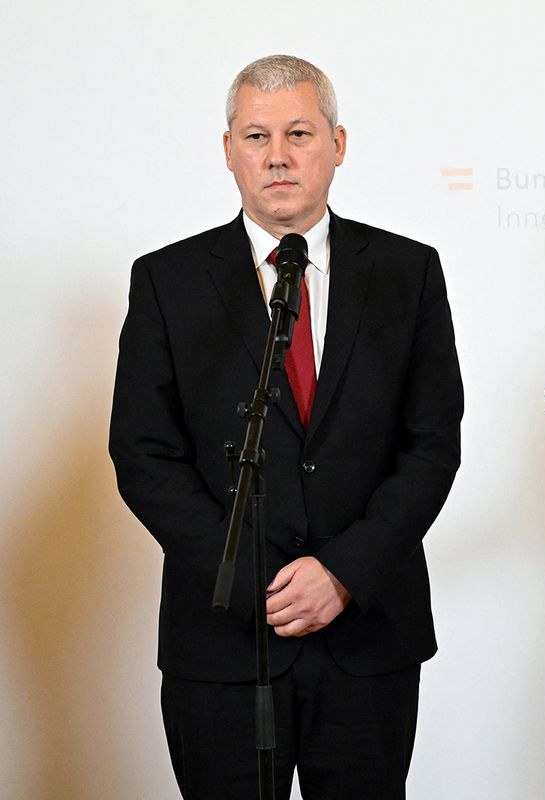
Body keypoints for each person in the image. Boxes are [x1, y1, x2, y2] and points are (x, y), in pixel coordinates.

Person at [110, 55, 463, 799]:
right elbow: (144, 453)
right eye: (256, 136)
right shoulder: (167, 280)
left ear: (337, 143)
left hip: (367, 636)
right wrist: (251, 583)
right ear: (229, 149)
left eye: (298, 133)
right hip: (225, 640)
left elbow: (432, 445)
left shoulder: (409, 272)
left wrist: (341, 574)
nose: (277, 156)